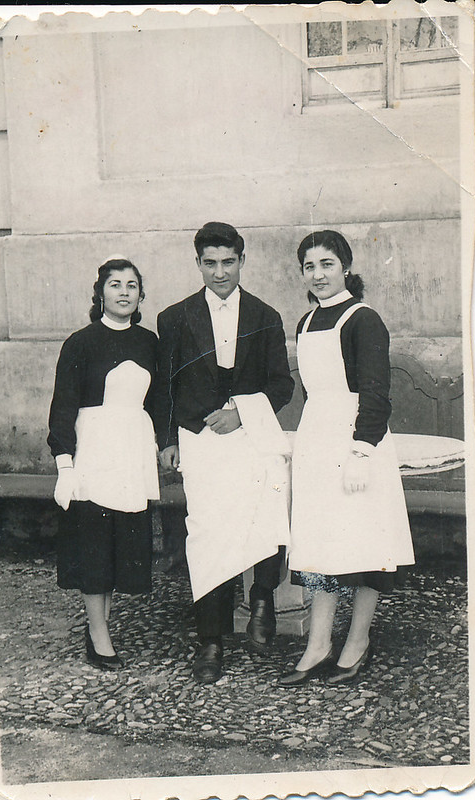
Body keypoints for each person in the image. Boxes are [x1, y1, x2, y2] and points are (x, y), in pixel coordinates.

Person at [155, 222, 294, 684]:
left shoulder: (265, 314)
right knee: (209, 536)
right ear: (198, 264)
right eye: (210, 263)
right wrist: (168, 440)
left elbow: (282, 384)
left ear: (242, 260)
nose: (219, 272)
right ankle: (210, 642)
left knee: (271, 506)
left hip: (252, 435)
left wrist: (243, 412)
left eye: (228, 262)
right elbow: (166, 388)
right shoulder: (174, 318)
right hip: (202, 441)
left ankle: (261, 597)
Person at [280, 230, 415, 687]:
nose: (318, 274)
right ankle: (318, 644)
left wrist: (361, 451)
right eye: (310, 266)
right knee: (321, 545)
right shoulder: (305, 322)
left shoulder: (364, 320)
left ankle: (357, 641)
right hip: (319, 443)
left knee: (362, 545)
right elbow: (310, 394)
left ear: (345, 267)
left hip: (358, 445)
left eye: (327, 265)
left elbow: (376, 393)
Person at [48, 256, 159, 670]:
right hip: (93, 449)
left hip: (131, 452)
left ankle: (103, 622)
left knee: (119, 541)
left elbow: (158, 400)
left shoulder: (150, 342)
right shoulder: (81, 343)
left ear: (140, 294)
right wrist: (65, 464)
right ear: (100, 293)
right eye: (115, 284)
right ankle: (98, 635)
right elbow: (63, 406)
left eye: (132, 285)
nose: (124, 292)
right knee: (94, 541)